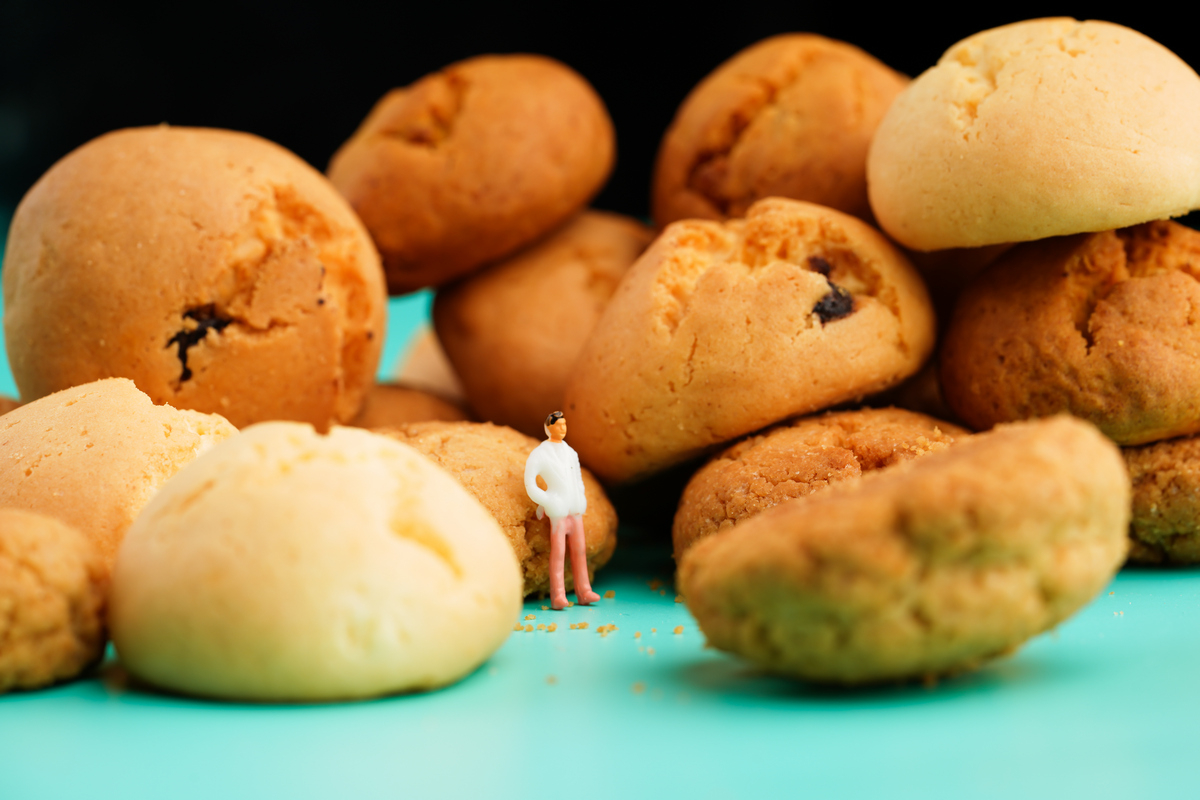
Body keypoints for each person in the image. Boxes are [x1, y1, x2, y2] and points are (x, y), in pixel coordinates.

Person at [524, 411, 601, 610]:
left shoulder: (570, 453)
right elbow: (530, 482)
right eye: (558, 425)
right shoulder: (540, 453)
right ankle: (558, 595)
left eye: (564, 424)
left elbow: (577, 479)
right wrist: (547, 501)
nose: (562, 428)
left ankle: (584, 591)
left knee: (580, 551)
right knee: (558, 553)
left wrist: (581, 497)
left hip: (575, 508)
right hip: (557, 510)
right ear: (548, 428)